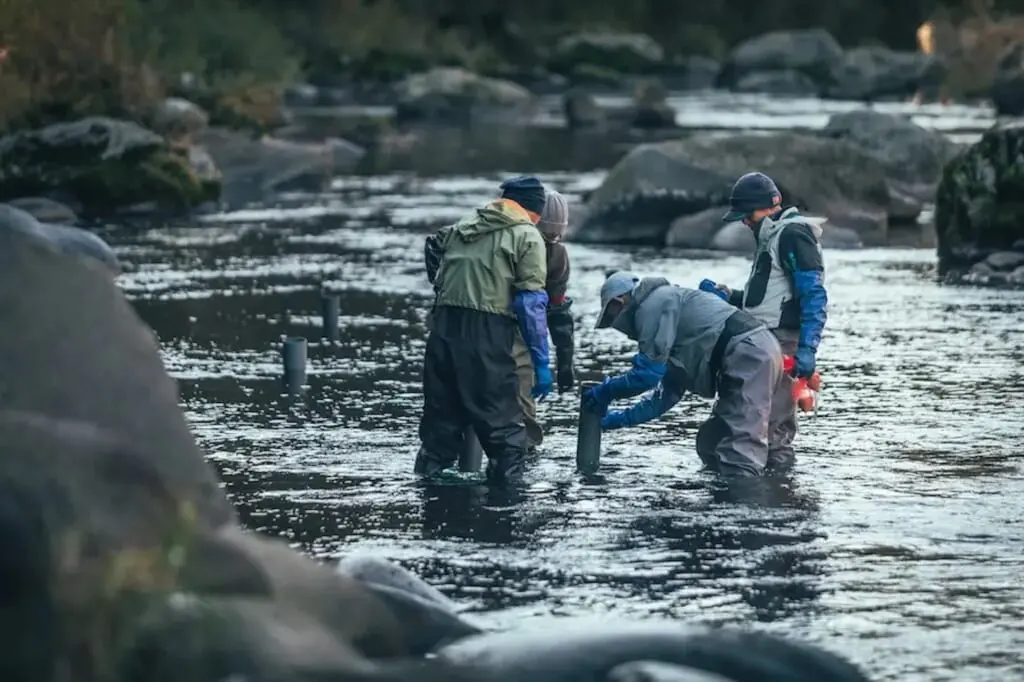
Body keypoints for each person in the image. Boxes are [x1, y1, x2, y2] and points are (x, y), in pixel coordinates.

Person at [416, 176, 553, 483]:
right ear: (532, 210)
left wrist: (440, 289)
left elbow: (433, 247)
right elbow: (530, 305)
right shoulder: (526, 235)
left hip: (443, 331)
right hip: (487, 336)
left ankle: (431, 508)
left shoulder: (463, 226)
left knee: (439, 434)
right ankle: (505, 517)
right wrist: (541, 360)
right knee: (507, 440)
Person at [583, 271, 786, 478]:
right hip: (756, 351)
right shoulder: (668, 321)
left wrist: (607, 391)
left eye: (611, 317)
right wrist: (619, 420)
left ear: (619, 302)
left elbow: (647, 375)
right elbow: (666, 396)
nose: (617, 326)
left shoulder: (653, 304)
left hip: (748, 355)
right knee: (712, 443)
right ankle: (766, 488)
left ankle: (745, 502)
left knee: (740, 452)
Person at [698, 171, 828, 467]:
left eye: (747, 215)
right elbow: (769, 299)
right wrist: (728, 296)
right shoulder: (772, 234)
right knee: (746, 422)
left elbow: (813, 296)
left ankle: (779, 498)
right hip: (760, 340)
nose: (744, 222)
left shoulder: (793, 235)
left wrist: (808, 349)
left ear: (767, 208)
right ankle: (764, 495)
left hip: (783, 346)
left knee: (773, 430)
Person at [512, 190, 575, 449]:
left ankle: (524, 451)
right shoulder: (514, 242)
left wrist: (564, 362)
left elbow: (558, 312)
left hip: (527, 328)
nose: (549, 242)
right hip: (498, 319)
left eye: (555, 237)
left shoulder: (557, 256)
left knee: (524, 393)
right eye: (545, 235)